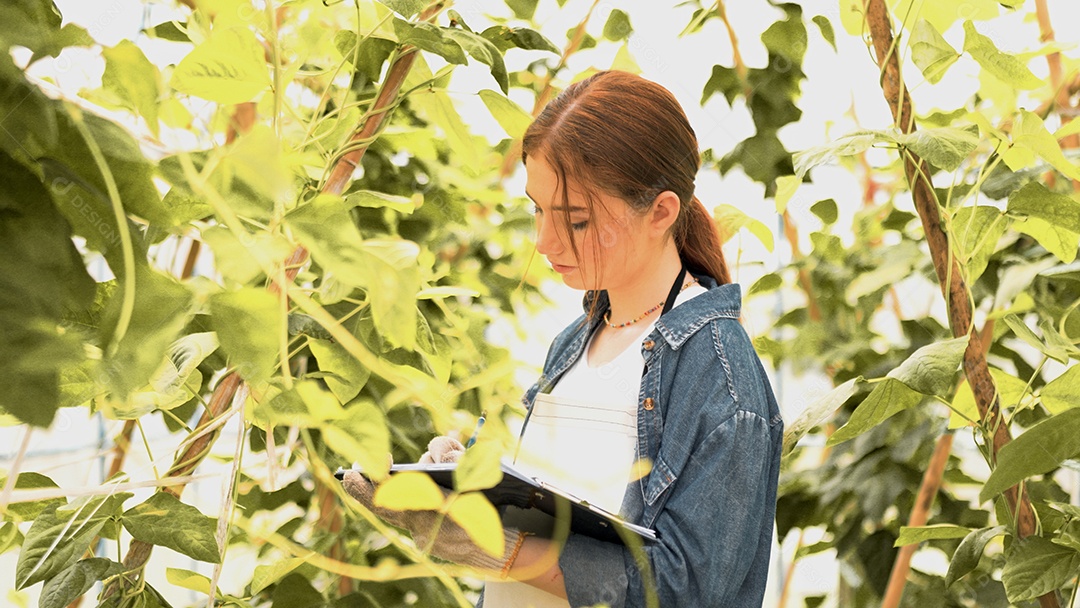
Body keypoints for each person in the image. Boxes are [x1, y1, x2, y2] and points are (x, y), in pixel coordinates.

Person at [343, 69, 783, 607]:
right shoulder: (574, 344)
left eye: (574, 219)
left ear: (661, 211)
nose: (545, 240)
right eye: (537, 208)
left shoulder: (716, 370)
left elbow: (686, 590)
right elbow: (566, 518)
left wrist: (497, 549)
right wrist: (469, 490)